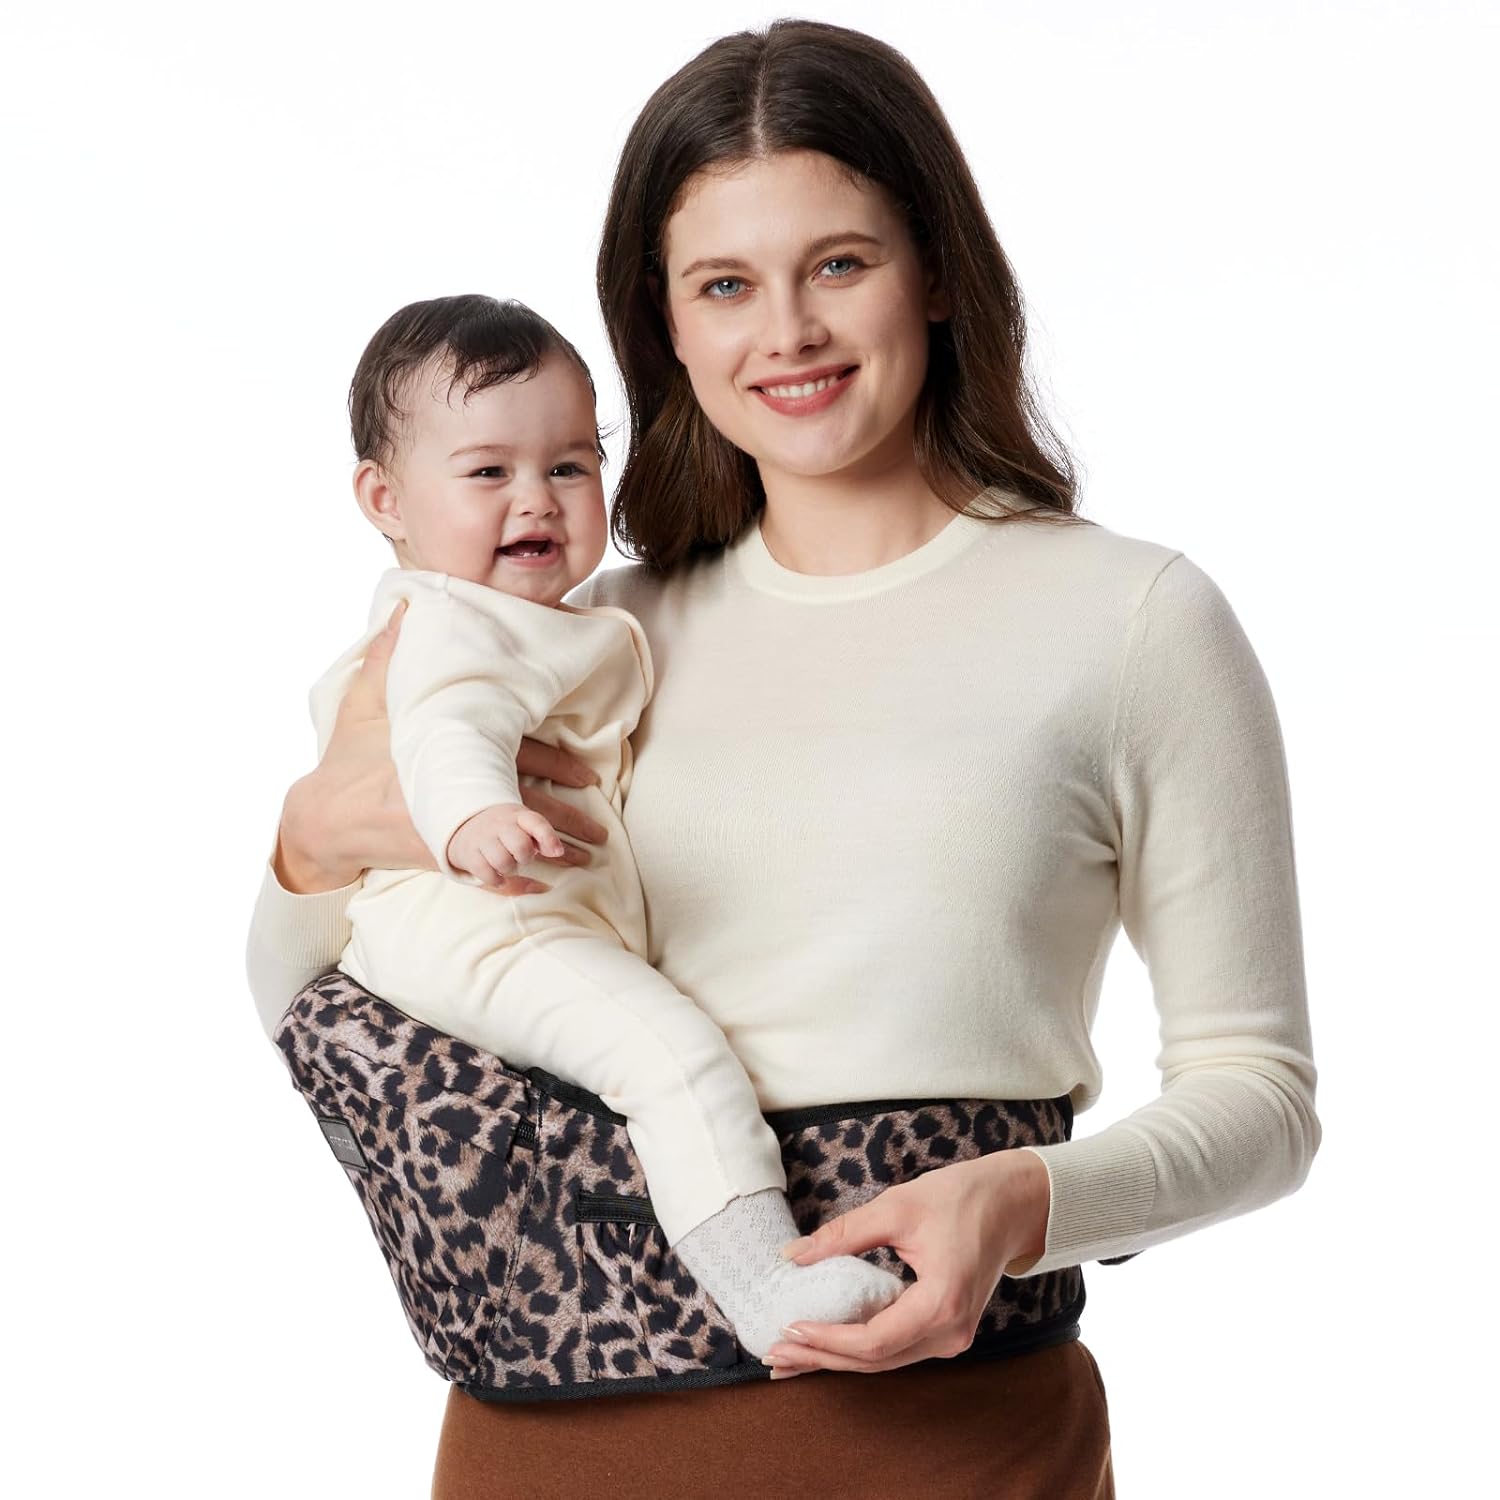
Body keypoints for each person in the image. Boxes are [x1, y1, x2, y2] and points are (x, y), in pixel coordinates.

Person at [245, 18, 1320, 1498]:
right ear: (667, 328)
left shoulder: (1129, 622)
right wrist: (307, 846)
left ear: (936, 271)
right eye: (725, 285)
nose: (788, 333)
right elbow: (314, 996)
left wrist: (1028, 1201)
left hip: (949, 1457)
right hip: (535, 1455)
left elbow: (1261, 1099)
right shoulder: (582, 641)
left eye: (840, 264)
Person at [299, 289, 905, 1358]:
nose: (536, 500)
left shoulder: (552, 619)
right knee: (669, 1058)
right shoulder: (453, 622)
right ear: (384, 498)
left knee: (617, 1082)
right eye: (488, 473)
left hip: (508, 929)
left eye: (570, 466)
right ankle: (764, 1281)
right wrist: (474, 816)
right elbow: (446, 725)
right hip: (491, 927)